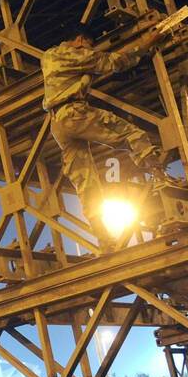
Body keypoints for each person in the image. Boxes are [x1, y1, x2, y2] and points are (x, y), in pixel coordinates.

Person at [41, 23, 172, 235]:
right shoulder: (79, 54)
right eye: (89, 45)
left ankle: (102, 235)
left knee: (84, 178)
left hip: (57, 123)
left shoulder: (48, 56)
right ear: (81, 40)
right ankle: (160, 176)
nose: (90, 49)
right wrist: (145, 44)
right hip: (75, 113)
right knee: (130, 133)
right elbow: (114, 62)